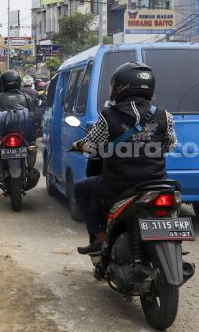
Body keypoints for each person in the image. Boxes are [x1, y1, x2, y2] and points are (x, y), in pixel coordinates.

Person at [72, 62, 177, 255]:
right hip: (156, 184)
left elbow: (90, 146)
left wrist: (76, 146)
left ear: (120, 87)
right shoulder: (165, 115)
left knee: (80, 189)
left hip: (119, 185)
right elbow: (170, 145)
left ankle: (100, 239)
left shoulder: (108, 116)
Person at [0, 70, 36, 179]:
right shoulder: (27, 98)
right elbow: (34, 115)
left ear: (2, 84)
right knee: (32, 145)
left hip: (2, 135)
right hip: (24, 135)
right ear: (19, 82)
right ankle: (31, 168)